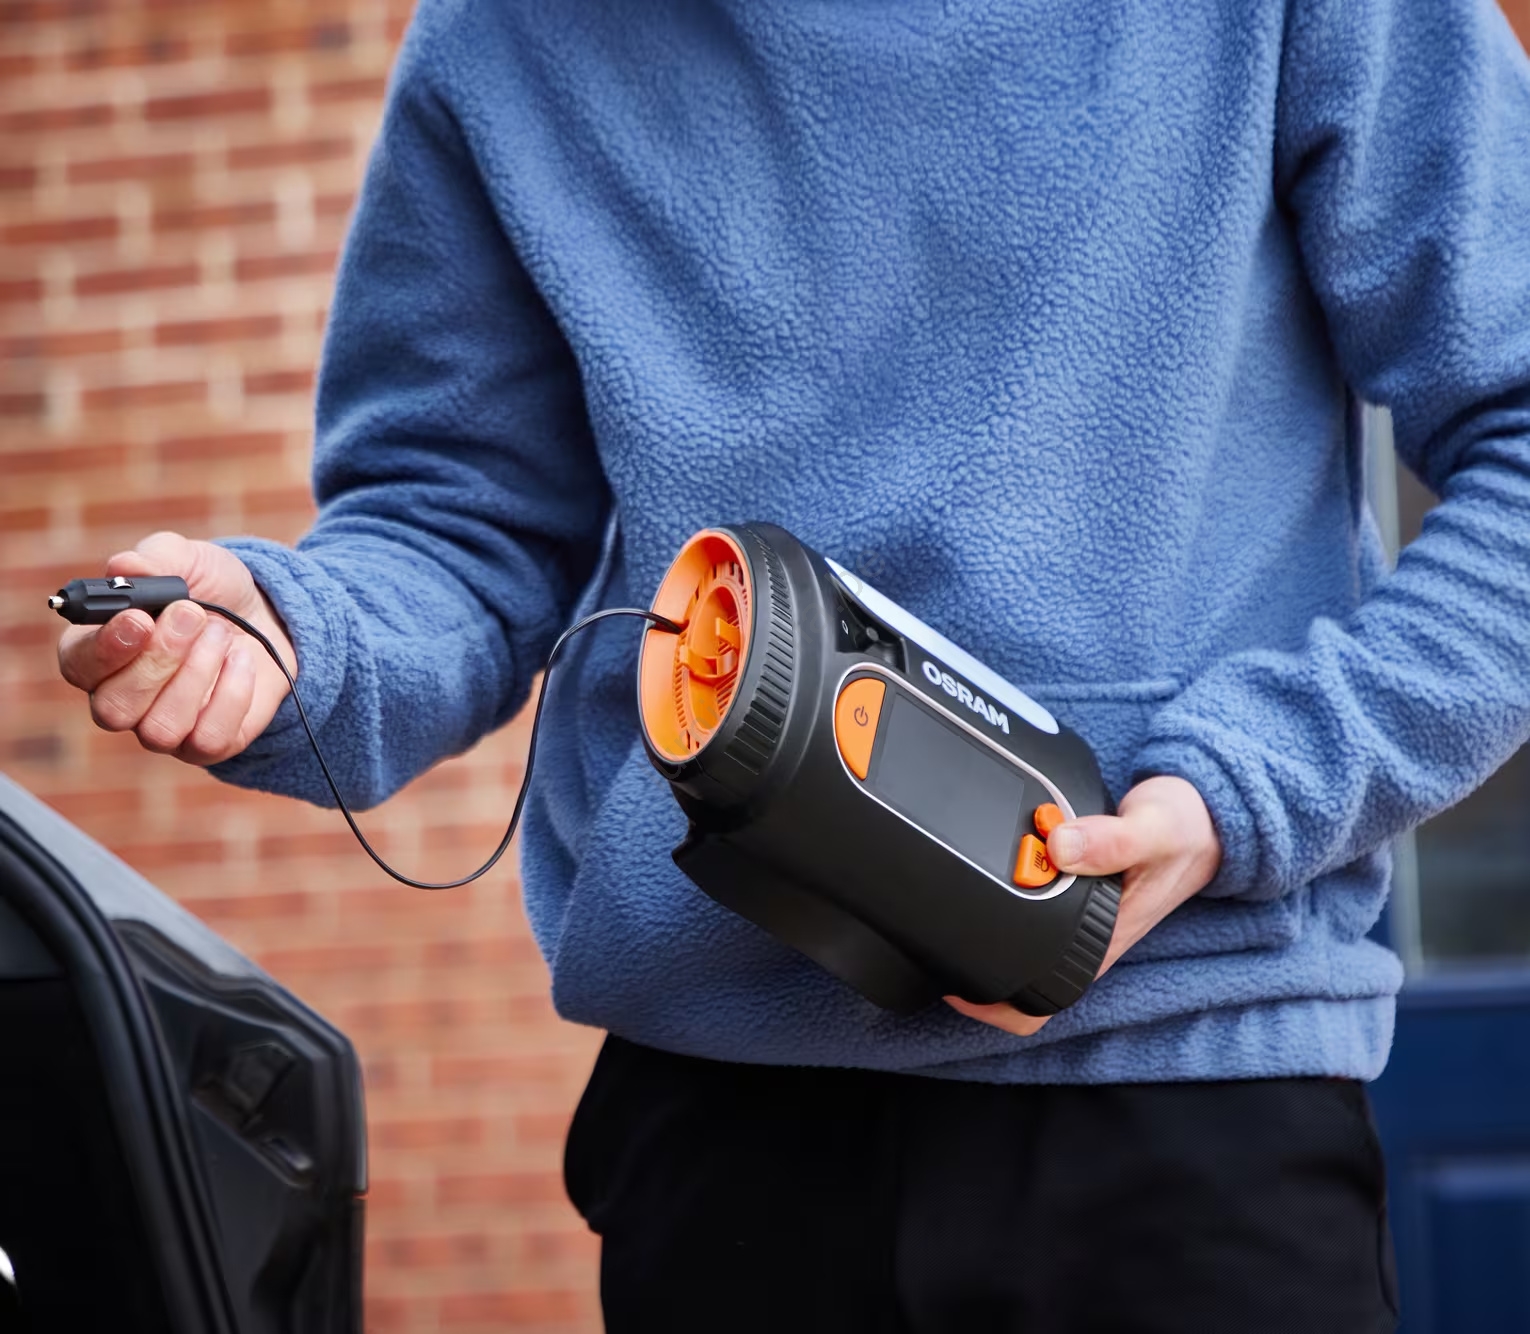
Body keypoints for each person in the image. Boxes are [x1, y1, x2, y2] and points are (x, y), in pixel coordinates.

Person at [56, 0, 1530, 1328]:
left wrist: (1244, 789)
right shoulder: (506, 38)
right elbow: (457, 524)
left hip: (1194, 1090)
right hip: (726, 1132)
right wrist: (298, 643)